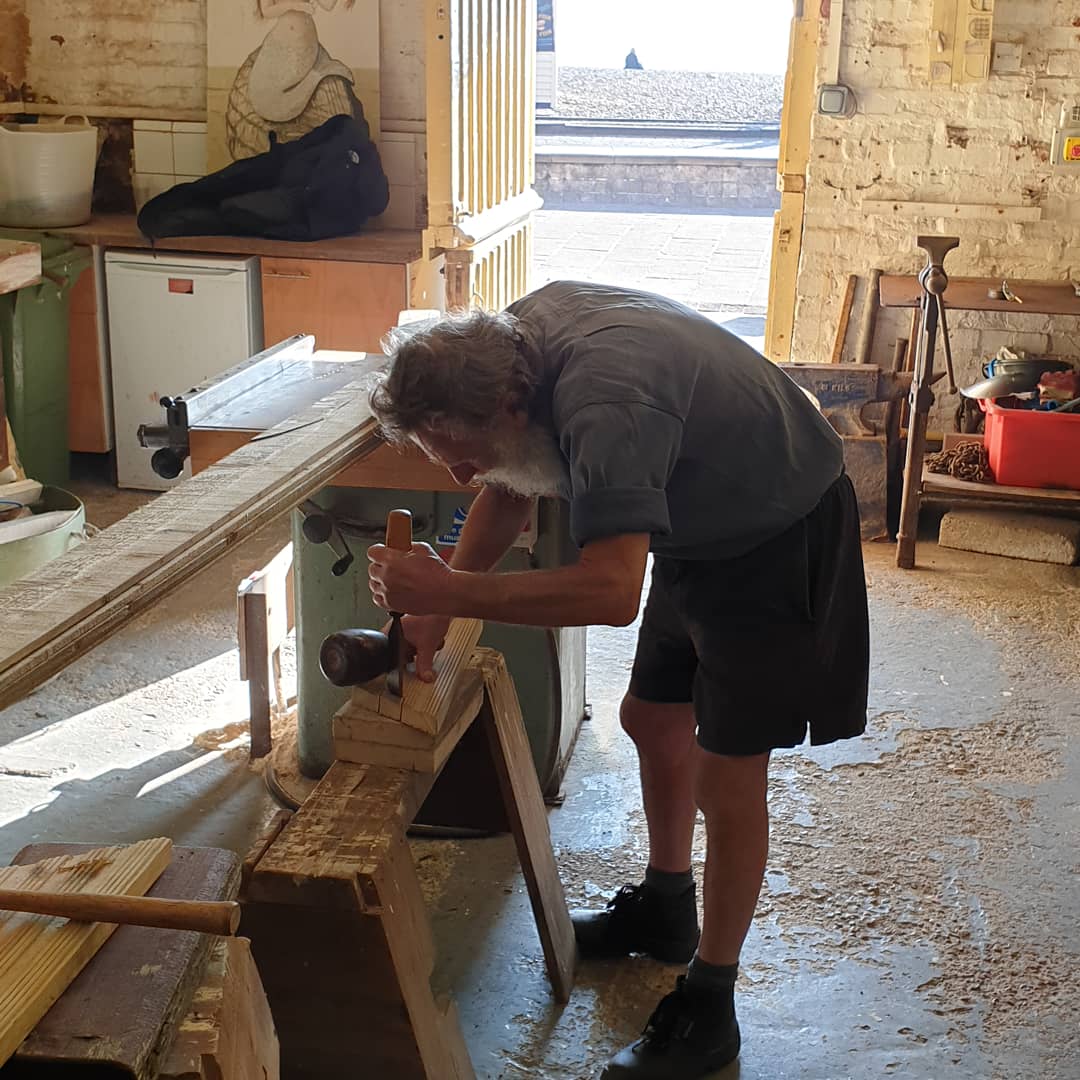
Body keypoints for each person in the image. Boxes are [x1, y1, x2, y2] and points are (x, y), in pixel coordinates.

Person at [365, 281, 870, 1079]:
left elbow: (609, 592)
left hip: (777, 523)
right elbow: (507, 484)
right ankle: (668, 907)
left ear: (510, 405)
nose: (461, 474)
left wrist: (452, 592)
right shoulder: (511, 347)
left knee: (728, 775)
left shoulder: (607, 404)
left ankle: (712, 1002)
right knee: (650, 715)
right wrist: (436, 616)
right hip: (696, 517)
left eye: (464, 451)